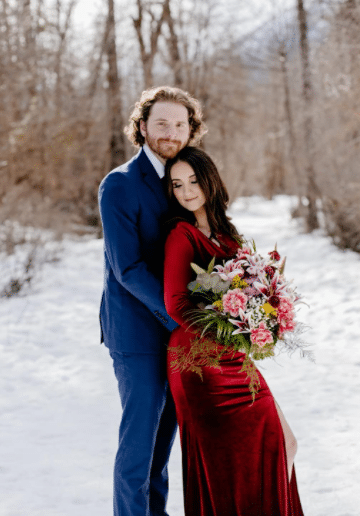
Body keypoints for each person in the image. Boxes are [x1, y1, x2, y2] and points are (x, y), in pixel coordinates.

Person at [163, 146, 304, 516]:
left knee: (285, 443)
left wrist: (265, 316)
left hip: (231, 359)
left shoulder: (228, 233)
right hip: (198, 364)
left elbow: (249, 287)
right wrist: (230, 328)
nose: (187, 191)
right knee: (227, 470)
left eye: (193, 181)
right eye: (177, 185)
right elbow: (176, 304)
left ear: (210, 179)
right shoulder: (182, 235)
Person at [98, 87, 206, 516]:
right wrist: (180, 316)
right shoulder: (119, 184)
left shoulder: (187, 179)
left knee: (162, 448)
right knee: (138, 448)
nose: (171, 132)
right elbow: (127, 269)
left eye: (180, 124)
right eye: (161, 123)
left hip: (179, 334)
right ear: (142, 127)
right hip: (137, 332)